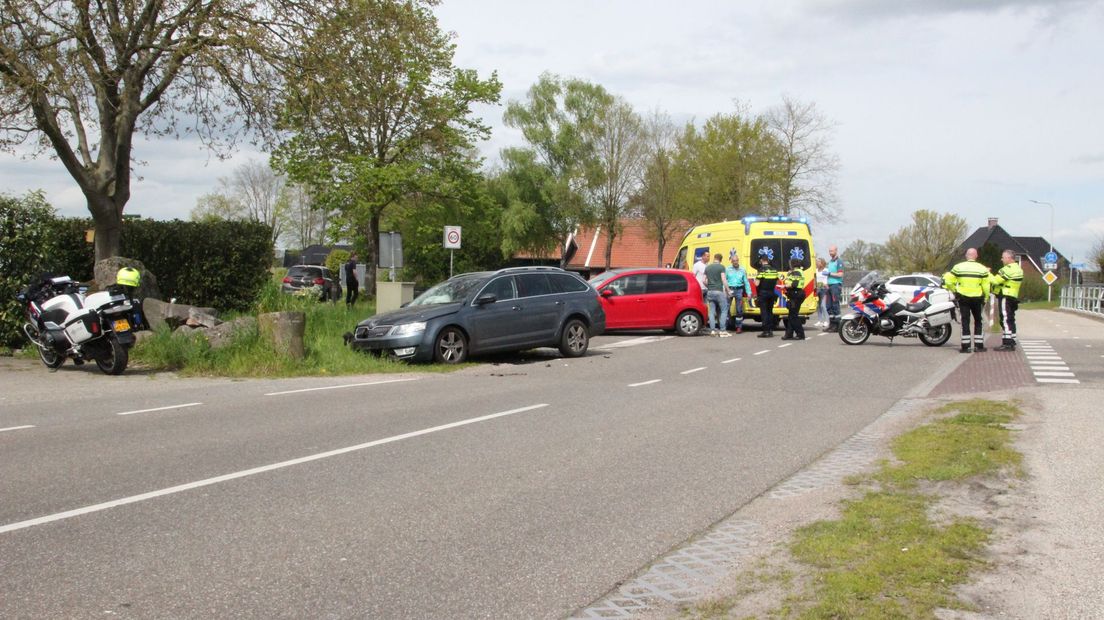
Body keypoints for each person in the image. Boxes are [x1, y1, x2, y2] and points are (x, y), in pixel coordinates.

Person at [945, 247, 991, 353]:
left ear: (966, 256)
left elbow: (948, 280)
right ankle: (979, 346)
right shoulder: (982, 268)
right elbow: (986, 285)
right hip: (977, 298)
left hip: (963, 298)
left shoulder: (958, 267)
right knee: (978, 321)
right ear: (976, 256)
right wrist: (986, 297)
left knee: (965, 321)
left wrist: (955, 290)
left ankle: (965, 346)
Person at [991, 249, 1024, 351]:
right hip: (1013, 296)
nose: (1001, 259)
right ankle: (1012, 340)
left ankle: (1007, 343)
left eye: (1003, 257)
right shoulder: (1018, 269)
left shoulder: (1007, 269)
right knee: (1010, 319)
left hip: (1005, 296)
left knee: (1005, 319)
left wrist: (987, 273)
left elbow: (995, 281)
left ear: (1009, 258)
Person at [703, 253, 730, 336]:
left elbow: (704, 280)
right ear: (721, 259)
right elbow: (724, 279)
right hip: (719, 291)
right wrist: (728, 290)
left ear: (714, 258)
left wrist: (709, 286)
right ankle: (722, 330)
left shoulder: (708, 267)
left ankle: (713, 330)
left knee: (711, 312)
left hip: (710, 291)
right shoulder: (721, 267)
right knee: (724, 310)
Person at [725, 254, 753, 334]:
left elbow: (746, 282)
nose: (735, 262)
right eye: (734, 261)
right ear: (731, 261)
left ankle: (739, 327)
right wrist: (725, 290)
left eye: (736, 261)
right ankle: (727, 325)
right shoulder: (728, 269)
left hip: (739, 290)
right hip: (730, 289)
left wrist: (749, 293)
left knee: (739, 309)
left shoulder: (742, 270)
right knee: (726, 308)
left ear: (738, 260)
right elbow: (724, 280)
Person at [754, 254, 780, 338]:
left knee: (764, 312)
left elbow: (757, 284)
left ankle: (765, 331)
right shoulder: (774, 270)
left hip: (763, 293)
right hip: (772, 293)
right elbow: (777, 282)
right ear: (768, 260)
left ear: (761, 260)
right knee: (770, 312)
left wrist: (755, 279)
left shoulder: (761, 270)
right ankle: (770, 330)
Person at [781, 258, 807, 341]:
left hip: (796, 294)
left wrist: (785, 286)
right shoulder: (796, 271)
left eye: (790, 263)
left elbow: (794, 284)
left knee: (793, 316)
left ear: (792, 264)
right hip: (795, 294)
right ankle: (789, 333)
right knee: (791, 315)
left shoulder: (796, 272)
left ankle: (800, 334)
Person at [825, 245, 845, 332]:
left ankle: (837, 325)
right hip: (829, 285)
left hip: (836, 285)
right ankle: (831, 324)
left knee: (835, 305)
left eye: (832, 251)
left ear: (836, 251)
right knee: (828, 306)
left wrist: (829, 274)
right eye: (829, 251)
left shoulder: (839, 261)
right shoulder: (830, 262)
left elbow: (840, 274)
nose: (830, 253)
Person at [814, 257, 828, 327]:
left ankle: (826, 321)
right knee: (818, 306)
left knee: (823, 306)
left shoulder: (825, 270)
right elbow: (815, 280)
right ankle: (820, 320)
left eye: (818, 261)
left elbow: (826, 279)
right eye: (816, 261)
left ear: (822, 263)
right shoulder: (816, 271)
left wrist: (825, 285)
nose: (817, 263)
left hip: (824, 289)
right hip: (817, 289)